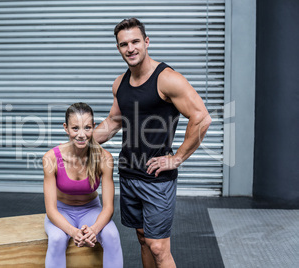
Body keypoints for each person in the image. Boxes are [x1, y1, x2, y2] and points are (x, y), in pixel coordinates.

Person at [93, 18, 212, 268]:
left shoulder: (167, 79)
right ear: (118, 48)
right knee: (143, 239)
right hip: (128, 173)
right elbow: (114, 121)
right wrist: (79, 141)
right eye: (123, 44)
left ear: (146, 42)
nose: (130, 48)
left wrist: (176, 158)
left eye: (135, 41)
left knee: (158, 247)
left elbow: (201, 118)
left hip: (156, 178)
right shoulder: (120, 84)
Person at [43, 102, 123, 268]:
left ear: (94, 127)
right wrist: (73, 232)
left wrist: (94, 230)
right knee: (57, 239)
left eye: (87, 128)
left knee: (112, 236)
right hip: (61, 211)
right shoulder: (50, 159)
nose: (81, 135)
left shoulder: (104, 158)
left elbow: (108, 208)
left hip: (91, 210)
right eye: (75, 128)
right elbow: (51, 210)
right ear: (66, 128)